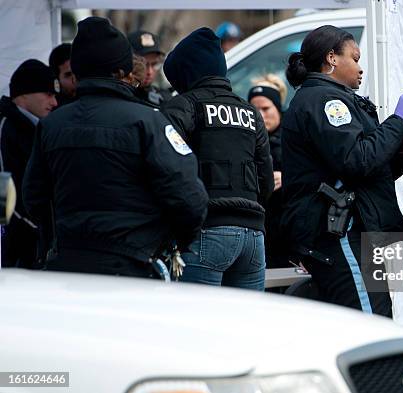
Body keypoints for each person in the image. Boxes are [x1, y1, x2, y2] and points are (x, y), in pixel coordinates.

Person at [22, 16, 208, 278]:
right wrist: (174, 243)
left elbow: (34, 198)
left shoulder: (51, 126)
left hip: (69, 268)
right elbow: (189, 197)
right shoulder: (149, 121)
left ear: (78, 71)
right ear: (122, 71)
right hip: (134, 267)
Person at [281, 25, 403, 316]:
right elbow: (357, 159)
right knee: (372, 325)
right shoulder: (324, 100)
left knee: (375, 318)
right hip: (339, 231)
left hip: (354, 231)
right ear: (332, 58)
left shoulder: (339, 98)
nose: (360, 68)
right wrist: (396, 122)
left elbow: (376, 169)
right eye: (354, 58)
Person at [162, 27, 274, 290]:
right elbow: (265, 180)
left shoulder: (182, 107)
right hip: (253, 237)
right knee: (245, 327)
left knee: (199, 327)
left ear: (185, 73)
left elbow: (166, 171)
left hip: (205, 232)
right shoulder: (250, 113)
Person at [0, 59, 58, 268]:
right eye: (48, 94)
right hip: (14, 250)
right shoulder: (6, 128)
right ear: (24, 94)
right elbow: (4, 194)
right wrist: (38, 230)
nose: (54, 102)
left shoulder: (38, 129)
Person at [248, 74, 289, 268]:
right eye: (254, 110)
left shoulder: (293, 138)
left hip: (287, 230)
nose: (260, 115)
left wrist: (287, 178)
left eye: (266, 109)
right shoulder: (244, 141)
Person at [127, 30, 173, 107]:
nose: (149, 72)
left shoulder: (164, 99)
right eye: (143, 65)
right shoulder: (117, 97)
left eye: (154, 64)